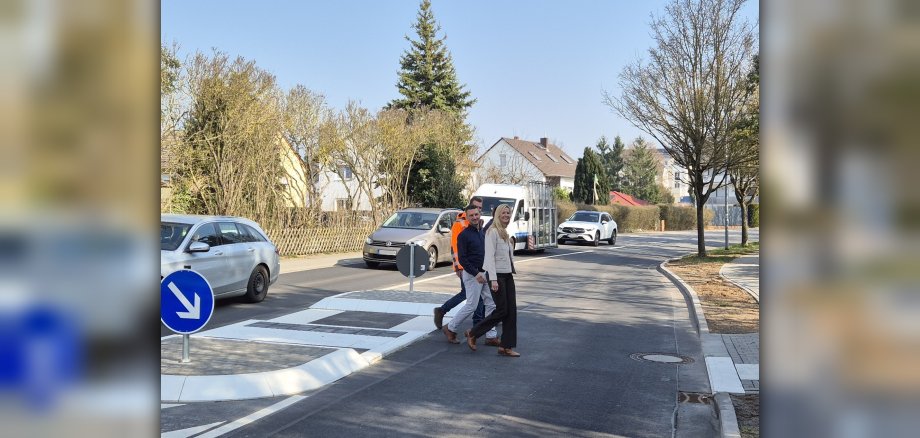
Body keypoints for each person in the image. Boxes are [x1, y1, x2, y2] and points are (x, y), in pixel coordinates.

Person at [466, 203, 520, 357]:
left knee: (511, 311)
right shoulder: (492, 232)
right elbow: (489, 257)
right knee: (502, 310)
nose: (506, 215)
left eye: (508, 213)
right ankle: (473, 332)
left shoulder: (504, 232)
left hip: (507, 275)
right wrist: (494, 280)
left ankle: (506, 346)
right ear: (497, 215)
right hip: (497, 276)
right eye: (503, 213)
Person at [442, 204, 498, 344]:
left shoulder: (482, 233)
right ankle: (450, 327)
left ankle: (491, 336)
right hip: (472, 275)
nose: (474, 217)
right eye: (471, 215)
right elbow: (463, 259)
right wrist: (476, 274)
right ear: (466, 217)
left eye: (476, 214)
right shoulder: (463, 235)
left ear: (480, 214)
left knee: (491, 304)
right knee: (472, 305)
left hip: (484, 273)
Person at [432, 197, 487, 332]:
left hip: (475, 267)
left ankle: (477, 322)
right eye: (476, 207)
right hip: (466, 267)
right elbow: (455, 247)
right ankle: (446, 313)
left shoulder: (478, 223)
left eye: (480, 208)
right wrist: (458, 267)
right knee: (471, 296)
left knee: (471, 295)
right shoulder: (460, 223)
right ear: (469, 208)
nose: (478, 211)